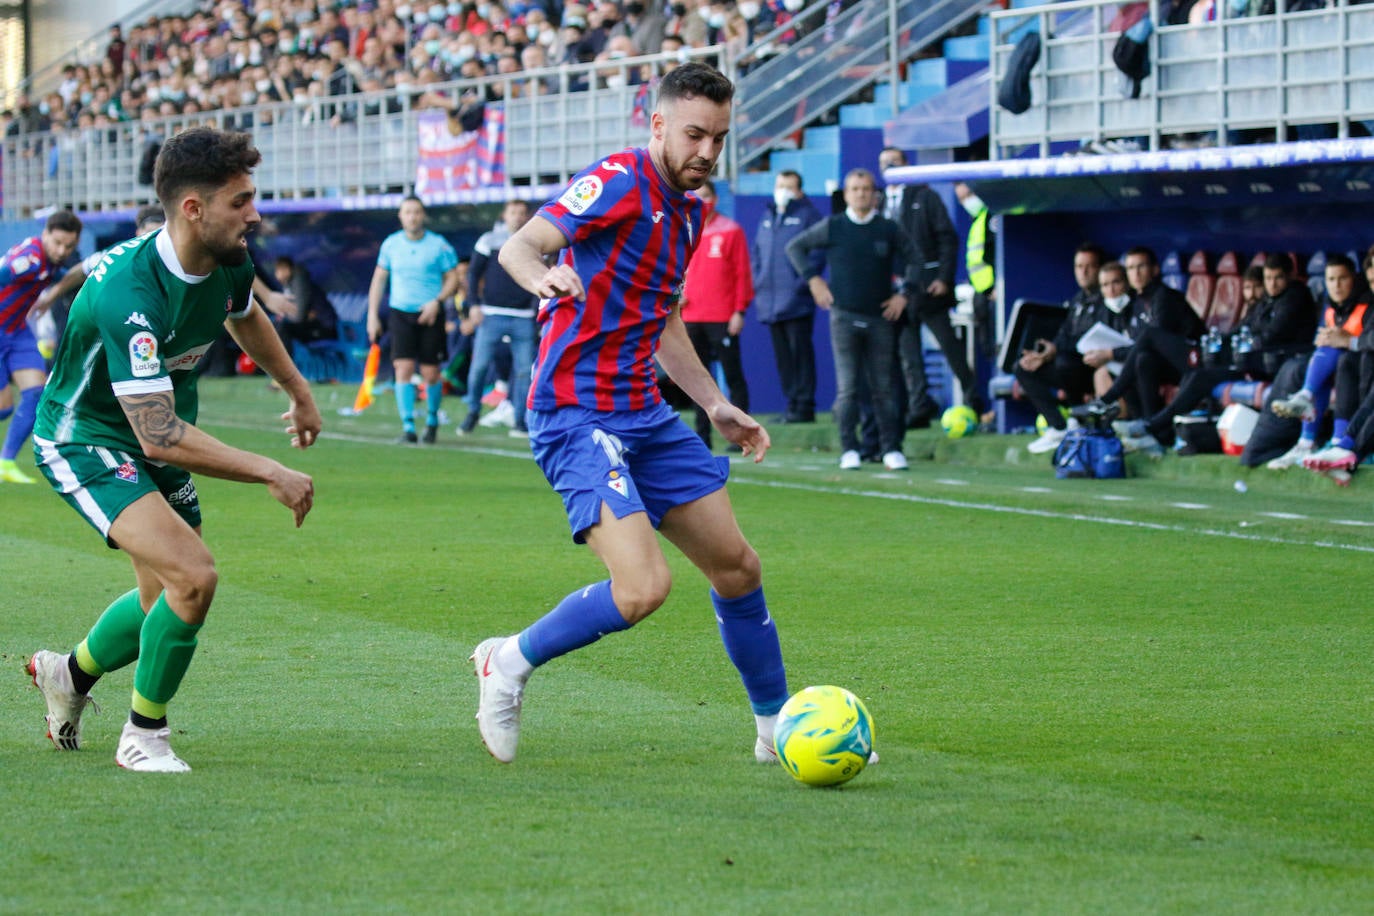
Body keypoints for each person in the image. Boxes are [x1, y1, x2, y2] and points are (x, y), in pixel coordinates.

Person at [472, 62, 782, 766]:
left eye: (720, 138)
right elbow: (521, 245)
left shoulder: (696, 210)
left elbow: (663, 317)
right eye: (695, 134)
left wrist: (714, 402)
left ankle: (775, 729)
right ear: (659, 126)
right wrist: (543, 276)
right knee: (643, 589)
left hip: (643, 413)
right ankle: (508, 661)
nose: (707, 152)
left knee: (737, 568)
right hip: (575, 414)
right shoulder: (617, 180)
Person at [25, 127, 319, 773]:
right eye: (241, 201)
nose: (255, 214)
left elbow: (244, 314)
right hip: (87, 440)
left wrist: (297, 390)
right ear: (193, 208)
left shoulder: (229, 256)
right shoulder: (130, 290)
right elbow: (158, 430)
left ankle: (67, 675)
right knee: (195, 575)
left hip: (153, 444)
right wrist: (270, 470)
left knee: (163, 599)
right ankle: (144, 737)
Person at [786, 168, 920, 471]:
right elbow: (794, 247)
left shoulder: (888, 228)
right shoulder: (833, 226)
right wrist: (814, 280)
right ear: (846, 194)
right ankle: (850, 448)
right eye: (855, 189)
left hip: (880, 317)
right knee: (847, 388)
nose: (861, 193)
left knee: (883, 386)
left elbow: (915, 258)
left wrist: (905, 294)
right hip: (844, 317)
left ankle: (891, 449)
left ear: (874, 194)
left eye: (866, 188)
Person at [1114, 252, 1318, 453]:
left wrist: (1242, 342)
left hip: (1274, 366)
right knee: (1192, 374)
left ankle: (1150, 426)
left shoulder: (1296, 296)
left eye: (1278, 278)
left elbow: (1272, 335)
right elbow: (1240, 330)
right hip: (1247, 361)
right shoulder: (1266, 301)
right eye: (1268, 278)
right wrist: (1223, 343)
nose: (1272, 284)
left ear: (1290, 276)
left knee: (1195, 374)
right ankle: (1161, 430)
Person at [1082, 245, 1204, 452]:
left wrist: (1111, 353)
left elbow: (1153, 341)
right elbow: (1140, 349)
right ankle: (1149, 429)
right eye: (1130, 268)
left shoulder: (1165, 297)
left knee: (1146, 346)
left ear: (1155, 270)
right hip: (1161, 364)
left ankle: (1109, 399)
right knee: (1141, 360)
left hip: (1193, 362)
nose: (1135, 274)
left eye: (1141, 267)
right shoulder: (1137, 302)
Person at [367, 195, 461, 444]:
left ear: (423, 215)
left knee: (431, 372)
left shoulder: (438, 245)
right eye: (407, 212)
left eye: (417, 212)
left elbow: (453, 278)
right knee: (403, 368)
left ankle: (431, 422)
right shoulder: (391, 245)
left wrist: (437, 301)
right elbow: (378, 280)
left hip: (430, 313)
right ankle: (408, 426)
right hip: (400, 312)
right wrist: (372, 316)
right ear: (401, 216)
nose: (412, 217)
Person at [0, 210, 83, 484]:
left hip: (18, 331)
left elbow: (68, 276)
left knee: (36, 394)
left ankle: (6, 463)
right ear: (45, 233)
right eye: (57, 243)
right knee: (4, 409)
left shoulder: (51, 262)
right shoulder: (30, 259)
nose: (62, 250)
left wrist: (52, 296)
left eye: (69, 246)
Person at [879, 148, 960, 427]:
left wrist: (944, 277)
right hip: (897, 293)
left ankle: (974, 401)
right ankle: (919, 408)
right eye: (884, 163)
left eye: (895, 162)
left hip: (929, 289)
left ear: (907, 166)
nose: (889, 167)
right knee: (908, 354)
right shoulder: (879, 203)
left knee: (951, 347)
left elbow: (947, 238)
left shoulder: (925, 197)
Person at [1265, 252, 1369, 469]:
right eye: (1331, 280)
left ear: (1354, 279)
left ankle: (1338, 441)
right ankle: (1307, 442)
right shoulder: (1330, 306)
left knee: (1342, 359)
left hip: (1361, 367)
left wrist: (1348, 342)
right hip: (1343, 368)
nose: (1337, 285)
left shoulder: (1367, 302)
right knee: (1324, 358)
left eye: (1342, 279)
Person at [680, 178, 753, 449]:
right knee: (697, 378)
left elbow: (742, 273)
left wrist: (739, 310)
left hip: (722, 316)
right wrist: (679, 293)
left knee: (733, 375)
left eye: (707, 195)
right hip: (691, 316)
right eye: (696, 196)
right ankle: (702, 437)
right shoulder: (684, 232)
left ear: (716, 199)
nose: (702, 202)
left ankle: (742, 434)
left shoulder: (731, 230)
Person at [460, 198, 540, 438]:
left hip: (523, 317)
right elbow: (473, 275)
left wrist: (537, 311)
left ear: (527, 217)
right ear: (504, 215)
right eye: (512, 212)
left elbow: (543, 275)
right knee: (479, 368)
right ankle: (473, 411)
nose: (517, 216)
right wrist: (473, 305)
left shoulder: (536, 241)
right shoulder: (489, 240)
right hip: (491, 314)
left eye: (522, 212)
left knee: (525, 371)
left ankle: (519, 422)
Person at [1017, 242, 1107, 454]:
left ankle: (1077, 419)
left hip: (1094, 367)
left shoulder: (1107, 299)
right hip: (1069, 364)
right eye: (1079, 266)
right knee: (1023, 367)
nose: (1083, 272)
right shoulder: (1077, 301)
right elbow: (1064, 335)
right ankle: (1058, 427)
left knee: (1065, 362)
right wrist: (1045, 355)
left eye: (1090, 266)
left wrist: (1056, 352)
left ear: (1100, 268)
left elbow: (1092, 338)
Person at [751, 169, 822, 424]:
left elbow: (815, 254)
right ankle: (791, 404)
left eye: (788, 187)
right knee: (783, 357)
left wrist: (798, 285)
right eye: (779, 185)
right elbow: (757, 252)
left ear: (799, 191)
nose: (782, 190)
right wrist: (758, 280)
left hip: (796, 301)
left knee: (800, 353)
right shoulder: (768, 215)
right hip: (769, 300)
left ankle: (805, 405)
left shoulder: (808, 215)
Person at [31, 206, 165, 333]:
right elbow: (81, 270)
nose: (153, 239)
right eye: (149, 233)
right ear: (138, 233)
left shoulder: (179, 258)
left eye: (159, 234)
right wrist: (50, 297)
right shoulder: (121, 252)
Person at [954, 181, 996, 368]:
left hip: (995, 294)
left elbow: (994, 253)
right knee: (988, 348)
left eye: (969, 194)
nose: (967, 201)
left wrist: (996, 288)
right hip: (982, 294)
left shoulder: (992, 216)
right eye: (961, 198)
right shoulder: (977, 219)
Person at [272, 255, 338, 347]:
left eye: (277, 270)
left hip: (325, 327)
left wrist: (289, 314)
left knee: (284, 328)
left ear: (286, 269)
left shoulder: (300, 282)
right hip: (315, 324)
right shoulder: (290, 284)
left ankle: (284, 360)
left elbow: (299, 315)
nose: (276, 274)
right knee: (278, 325)